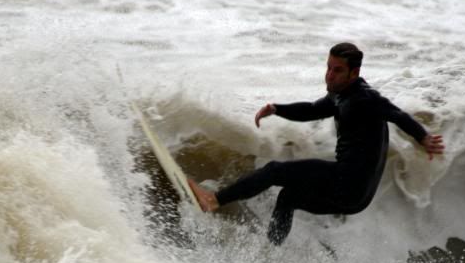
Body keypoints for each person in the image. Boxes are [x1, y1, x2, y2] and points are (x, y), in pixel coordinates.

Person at [187, 42, 445, 245]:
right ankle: (272, 254)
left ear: (354, 73)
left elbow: (397, 114)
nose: (330, 75)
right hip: (357, 198)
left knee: (276, 171)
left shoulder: (365, 98)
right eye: (329, 68)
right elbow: (311, 109)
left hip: (348, 183)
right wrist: (276, 109)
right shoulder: (339, 96)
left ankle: (214, 200)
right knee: (288, 198)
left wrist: (423, 137)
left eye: (338, 70)